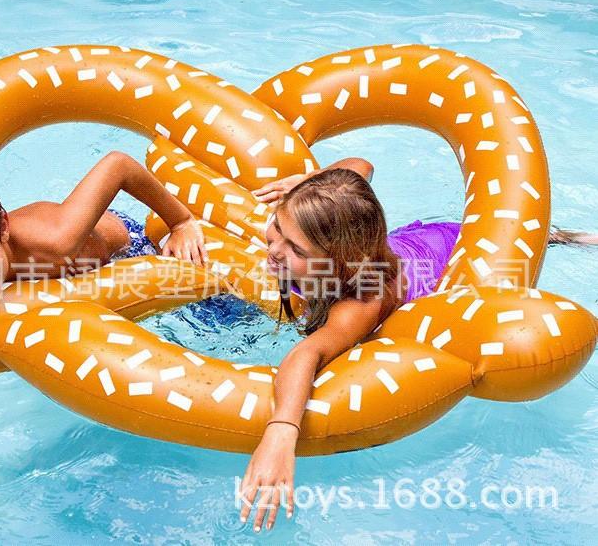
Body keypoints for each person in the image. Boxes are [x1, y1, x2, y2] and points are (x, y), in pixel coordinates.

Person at [237, 157, 597, 533]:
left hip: (444, 260)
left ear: (340, 262)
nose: (275, 249)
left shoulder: (360, 303)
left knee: (552, 240)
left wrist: (281, 430)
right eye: (277, 226)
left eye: (297, 249)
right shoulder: (320, 233)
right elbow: (360, 167)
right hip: (414, 242)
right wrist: (307, 186)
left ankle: (573, 238)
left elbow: (308, 353)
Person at [0, 151, 208, 304]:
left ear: (3, 228)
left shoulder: (56, 242)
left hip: (126, 248)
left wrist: (180, 222)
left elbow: (118, 165)